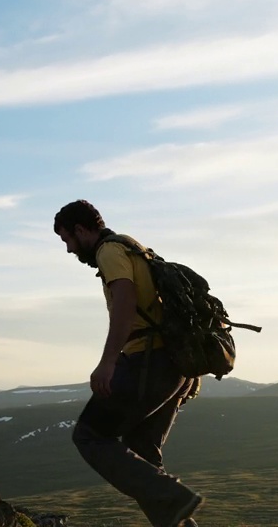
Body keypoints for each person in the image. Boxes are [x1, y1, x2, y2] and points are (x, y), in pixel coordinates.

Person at [53, 199, 203, 527]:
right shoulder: (134, 246)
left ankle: (177, 496)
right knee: (141, 451)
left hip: (148, 362)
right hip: (174, 366)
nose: (68, 249)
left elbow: (125, 300)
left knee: (89, 435)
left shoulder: (109, 252)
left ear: (81, 230)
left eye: (67, 239)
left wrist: (107, 362)